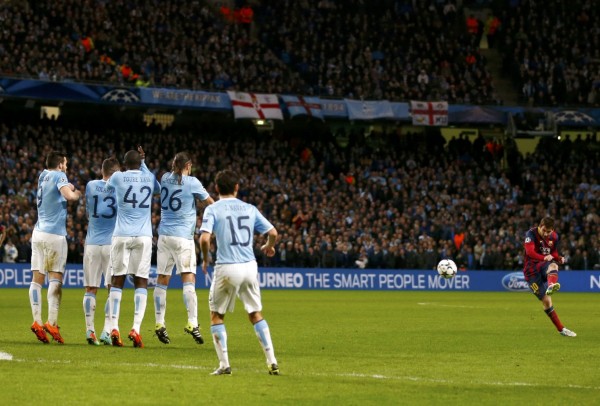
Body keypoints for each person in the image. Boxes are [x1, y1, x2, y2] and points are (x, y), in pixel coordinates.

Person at [200, 169, 280, 376]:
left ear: (216, 188)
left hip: (227, 267)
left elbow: (204, 239)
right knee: (255, 313)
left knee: (217, 315)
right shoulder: (250, 208)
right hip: (249, 267)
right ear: (237, 187)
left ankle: (225, 365)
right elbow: (273, 233)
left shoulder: (213, 209)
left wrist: (205, 259)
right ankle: (272, 361)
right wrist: (268, 247)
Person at [153, 151, 214, 345]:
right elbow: (210, 204)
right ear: (188, 165)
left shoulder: (164, 178)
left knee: (162, 279)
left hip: (164, 236)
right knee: (188, 277)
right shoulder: (193, 182)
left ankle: (159, 323)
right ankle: (192, 323)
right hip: (183, 238)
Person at [107, 147, 160, 348]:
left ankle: (114, 327)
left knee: (117, 279)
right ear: (140, 163)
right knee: (141, 281)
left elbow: (109, 185)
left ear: (124, 164)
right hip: (144, 236)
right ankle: (136, 329)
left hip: (121, 234)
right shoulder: (149, 177)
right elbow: (158, 190)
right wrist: (144, 164)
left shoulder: (118, 177)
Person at [29, 150, 82, 344]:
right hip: (54, 235)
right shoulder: (60, 175)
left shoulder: (42, 176)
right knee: (56, 278)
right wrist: (75, 192)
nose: (66, 167)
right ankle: (51, 322)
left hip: (38, 232)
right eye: (65, 164)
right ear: (60, 164)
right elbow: (68, 196)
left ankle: (36, 321)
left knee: (37, 279)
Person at [82, 158, 120, 345]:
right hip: (111, 244)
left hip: (91, 243)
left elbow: (88, 212)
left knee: (90, 288)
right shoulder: (119, 189)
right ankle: (106, 329)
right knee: (112, 288)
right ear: (115, 173)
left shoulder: (90, 185)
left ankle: (90, 330)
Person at [523, 217, 576, 337]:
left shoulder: (554, 237)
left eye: (549, 231)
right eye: (545, 230)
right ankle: (561, 329)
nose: (546, 234)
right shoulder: (530, 234)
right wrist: (543, 257)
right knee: (547, 301)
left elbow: (554, 252)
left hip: (543, 265)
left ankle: (551, 285)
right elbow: (530, 252)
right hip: (531, 271)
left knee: (553, 265)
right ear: (540, 226)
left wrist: (559, 258)